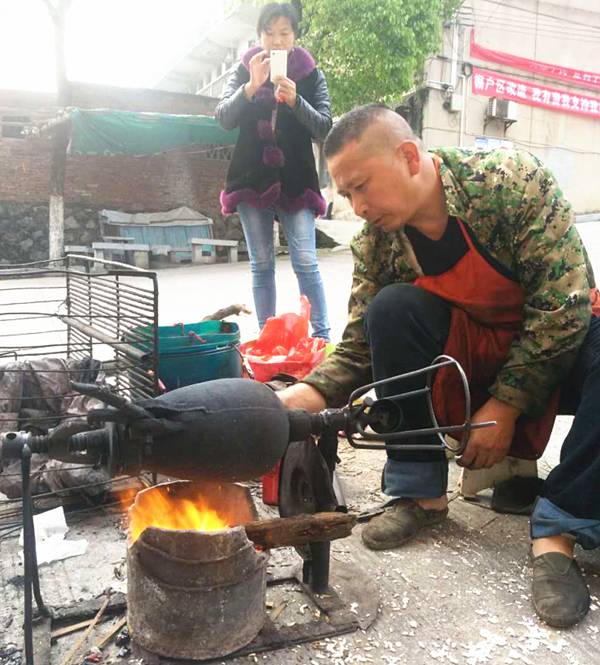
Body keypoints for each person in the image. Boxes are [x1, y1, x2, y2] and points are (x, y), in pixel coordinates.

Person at [277, 103, 600, 629]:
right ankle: (420, 492)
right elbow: (359, 345)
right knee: (392, 310)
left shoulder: (510, 185)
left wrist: (509, 404)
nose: (357, 207)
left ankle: (559, 529)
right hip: (471, 356)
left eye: (362, 187)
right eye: (347, 195)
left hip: (556, 349)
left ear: (408, 157)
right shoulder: (379, 243)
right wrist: (301, 400)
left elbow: (563, 310)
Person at [216, 2, 331, 340]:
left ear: (295, 35)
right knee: (262, 264)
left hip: (296, 181)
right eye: (270, 33)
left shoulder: (311, 74)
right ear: (259, 35)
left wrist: (297, 101)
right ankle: (268, 339)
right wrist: (251, 87)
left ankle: (323, 337)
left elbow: (325, 128)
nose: (277, 41)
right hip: (251, 181)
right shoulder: (244, 70)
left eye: (284, 33)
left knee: (306, 263)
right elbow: (223, 118)